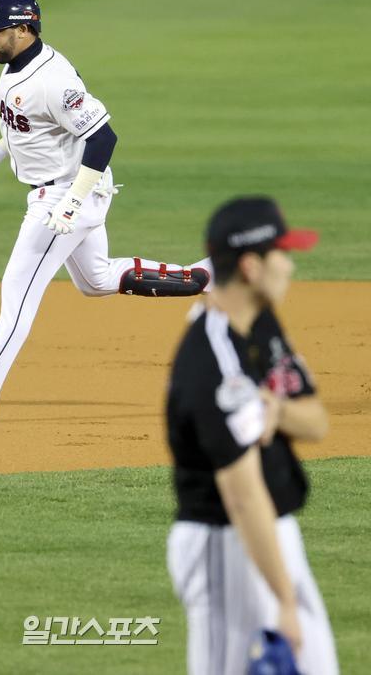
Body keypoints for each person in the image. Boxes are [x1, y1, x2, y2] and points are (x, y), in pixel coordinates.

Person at [0, 0, 213, 424]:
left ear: (24, 29)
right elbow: (29, 128)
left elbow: (103, 139)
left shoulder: (52, 80)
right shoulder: (17, 66)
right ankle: (208, 275)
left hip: (66, 194)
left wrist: (72, 204)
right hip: (65, 191)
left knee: (16, 304)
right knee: (95, 280)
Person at [165, 197, 339, 674]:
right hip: (227, 544)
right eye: (282, 253)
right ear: (250, 266)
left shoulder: (259, 323)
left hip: (276, 534)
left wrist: (275, 410)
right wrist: (284, 601)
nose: (292, 266)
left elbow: (317, 422)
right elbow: (241, 497)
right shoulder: (213, 365)